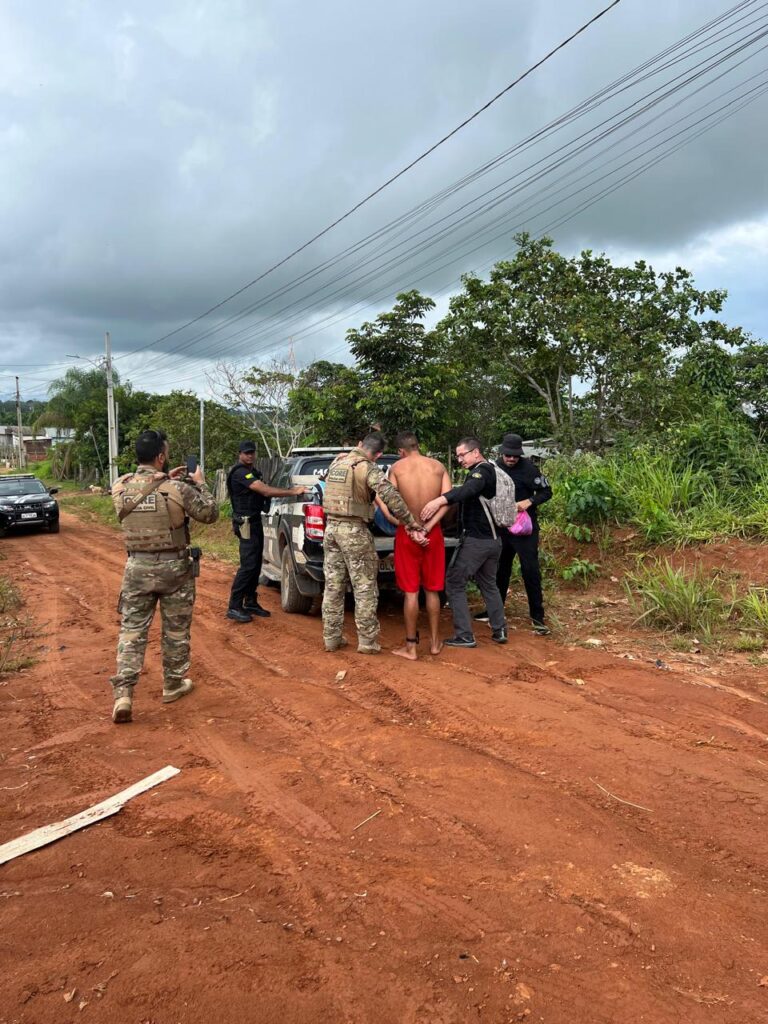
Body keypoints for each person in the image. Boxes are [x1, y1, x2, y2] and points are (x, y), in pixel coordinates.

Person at [109, 429, 219, 724]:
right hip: (175, 569)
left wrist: (162, 477)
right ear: (160, 456)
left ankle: (123, 694)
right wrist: (200, 483)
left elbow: (141, 495)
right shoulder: (177, 489)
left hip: (137, 568)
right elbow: (210, 513)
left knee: (132, 630)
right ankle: (172, 684)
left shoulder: (120, 487)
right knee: (175, 630)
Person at [322, 432, 427, 654]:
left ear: (360, 444)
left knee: (333, 587)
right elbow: (390, 496)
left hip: (331, 529)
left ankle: (331, 639)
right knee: (365, 588)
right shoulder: (367, 468)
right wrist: (409, 521)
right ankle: (368, 642)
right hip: (354, 532)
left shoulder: (338, 462)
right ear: (378, 454)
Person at [421, 436, 507, 648]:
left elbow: (468, 490)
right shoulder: (494, 470)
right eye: (458, 455)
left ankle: (465, 635)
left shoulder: (482, 471)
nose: (460, 459)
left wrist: (441, 499)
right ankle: (500, 629)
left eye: (462, 454)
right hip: (494, 541)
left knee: (454, 582)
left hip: (477, 541)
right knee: (488, 583)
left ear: (475, 452)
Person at [474, 433, 552, 635]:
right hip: (502, 528)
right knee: (499, 571)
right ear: (502, 453)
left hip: (524, 530)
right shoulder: (494, 467)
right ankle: (494, 612)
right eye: (508, 455)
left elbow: (546, 492)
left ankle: (538, 617)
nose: (511, 459)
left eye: (515, 456)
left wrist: (529, 502)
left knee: (530, 571)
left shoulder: (529, 469)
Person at [387, 431, 452, 660]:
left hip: (407, 534)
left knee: (411, 592)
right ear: (418, 446)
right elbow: (447, 500)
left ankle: (411, 647)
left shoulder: (397, 468)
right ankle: (435, 643)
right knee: (433, 590)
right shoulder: (437, 466)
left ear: (400, 451)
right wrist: (427, 527)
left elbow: (390, 501)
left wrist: (410, 526)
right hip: (433, 534)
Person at [226, 440, 306, 623]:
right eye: (247, 453)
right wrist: (292, 491)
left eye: (252, 452)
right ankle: (234, 606)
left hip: (255, 522)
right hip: (245, 524)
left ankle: (250, 601)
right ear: (240, 454)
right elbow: (265, 491)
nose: (250, 455)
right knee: (248, 566)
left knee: (255, 565)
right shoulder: (240, 473)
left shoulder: (252, 472)